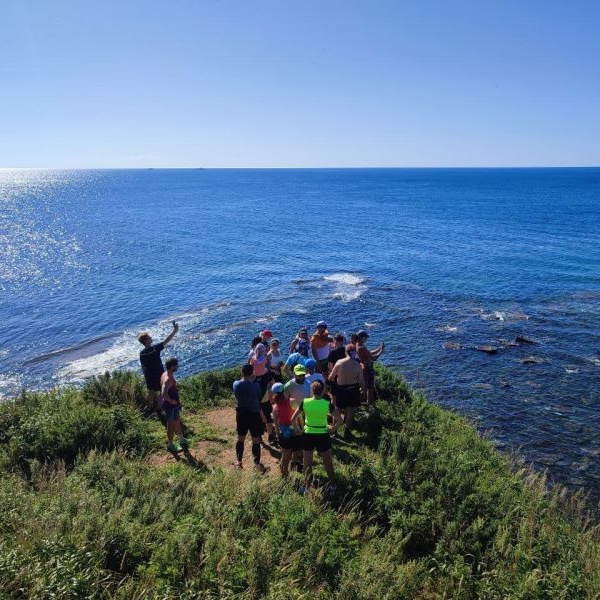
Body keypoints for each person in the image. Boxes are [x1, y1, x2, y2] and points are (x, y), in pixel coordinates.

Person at [291, 380, 342, 495]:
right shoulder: (327, 404)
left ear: (311, 391)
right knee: (328, 462)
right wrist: (332, 429)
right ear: (322, 391)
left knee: (307, 463)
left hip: (308, 433)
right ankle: (333, 486)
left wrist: (298, 430)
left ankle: (307, 487)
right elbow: (340, 421)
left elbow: (293, 419)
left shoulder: (305, 402)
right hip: (323, 434)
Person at [138, 322, 178, 416]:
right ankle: (158, 409)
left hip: (149, 375)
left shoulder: (142, 353)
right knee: (163, 391)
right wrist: (174, 331)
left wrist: (146, 376)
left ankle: (148, 409)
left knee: (151, 392)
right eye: (149, 337)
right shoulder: (154, 349)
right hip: (159, 374)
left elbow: (143, 366)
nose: (151, 337)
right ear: (146, 341)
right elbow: (166, 341)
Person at [233, 364, 267, 471]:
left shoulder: (235, 384)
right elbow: (259, 397)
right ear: (252, 373)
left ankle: (239, 462)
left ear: (242, 373)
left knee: (240, 438)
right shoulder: (255, 385)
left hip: (241, 413)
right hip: (254, 414)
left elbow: (240, 382)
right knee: (256, 440)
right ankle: (256, 464)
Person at [328, 344, 366, 439]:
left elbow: (331, 377)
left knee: (338, 409)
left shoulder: (339, 362)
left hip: (341, 389)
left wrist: (333, 381)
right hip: (353, 389)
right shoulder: (357, 364)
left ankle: (334, 430)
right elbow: (361, 380)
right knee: (351, 411)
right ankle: (347, 431)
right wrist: (364, 390)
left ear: (346, 352)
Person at [271, 382, 302, 477]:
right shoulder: (292, 401)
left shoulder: (275, 407)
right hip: (296, 430)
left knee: (285, 457)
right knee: (296, 449)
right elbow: (299, 417)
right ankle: (294, 463)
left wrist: (278, 435)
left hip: (285, 434)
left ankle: (284, 474)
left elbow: (276, 424)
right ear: (284, 390)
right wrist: (301, 429)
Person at [160, 357, 189, 452]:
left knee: (177, 421)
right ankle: (170, 445)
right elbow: (163, 393)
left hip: (173, 406)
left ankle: (181, 439)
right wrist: (171, 401)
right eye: (177, 365)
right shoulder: (168, 378)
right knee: (171, 425)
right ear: (172, 367)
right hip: (170, 406)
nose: (178, 366)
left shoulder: (165, 373)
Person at [249, 343, 275, 444]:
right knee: (268, 417)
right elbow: (273, 384)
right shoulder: (266, 373)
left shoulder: (252, 376)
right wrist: (272, 393)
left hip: (255, 399)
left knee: (257, 418)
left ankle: (259, 437)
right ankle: (270, 436)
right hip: (265, 397)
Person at [356, 330, 385, 406]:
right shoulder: (361, 348)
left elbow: (369, 353)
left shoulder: (359, 345)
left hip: (365, 367)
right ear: (362, 337)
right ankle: (369, 404)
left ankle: (362, 403)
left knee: (366, 387)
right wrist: (381, 351)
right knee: (369, 387)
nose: (367, 339)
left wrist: (379, 348)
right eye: (366, 337)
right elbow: (373, 358)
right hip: (367, 368)